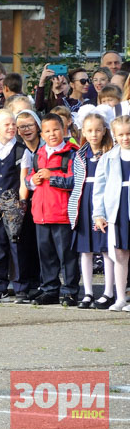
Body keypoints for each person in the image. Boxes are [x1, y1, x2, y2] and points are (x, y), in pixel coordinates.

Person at [25, 113, 79, 306]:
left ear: (64, 130)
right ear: (42, 133)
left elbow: (74, 181)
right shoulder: (37, 155)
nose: (52, 134)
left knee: (67, 256)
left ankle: (70, 291)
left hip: (61, 213)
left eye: (56, 129)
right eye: (47, 131)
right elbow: (28, 178)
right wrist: (32, 181)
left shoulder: (71, 153)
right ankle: (50, 290)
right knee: (46, 256)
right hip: (41, 214)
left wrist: (52, 177)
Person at [0, 109, 33, 303]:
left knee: (17, 247)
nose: (11, 128)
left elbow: (23, 181)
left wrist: (18, 208)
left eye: (13, 124)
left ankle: (21, 288)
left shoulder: (21, 150)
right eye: (7, 125)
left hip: (16, 208)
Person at [69, 110, 114, 309]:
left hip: (103, 201)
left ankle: (108, 291)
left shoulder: (111, 153)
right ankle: (87, 292)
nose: (94, 134)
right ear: (83, 133)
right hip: (83, 201)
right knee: (85, 250)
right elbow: (74, 181)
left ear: (105, 131)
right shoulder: (79, 155)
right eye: (89, 130)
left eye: (98, 130)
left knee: (106, 249)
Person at [93, 115, 130, 312]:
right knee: (119, 254)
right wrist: (98, 213)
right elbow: (99, 188)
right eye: (121, 135)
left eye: (129, 134)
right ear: (115, 136)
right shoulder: (108, 158)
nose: (126, 138)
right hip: (117, 209)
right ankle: (120, 297)